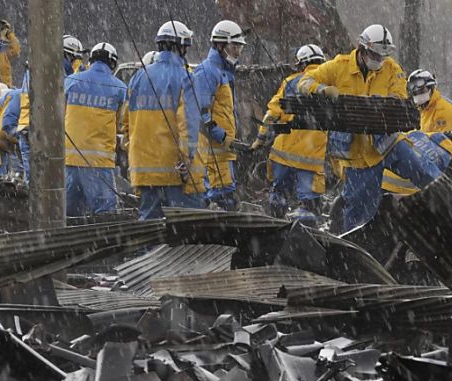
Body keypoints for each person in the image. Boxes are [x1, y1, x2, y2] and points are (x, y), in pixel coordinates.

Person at [297, 24, 442, 232]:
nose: (378, 60)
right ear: (362, 48)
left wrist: (379, 106)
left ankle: (451, 209)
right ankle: (356, 253)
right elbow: (304, 82)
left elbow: (399, 96)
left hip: (389, 143)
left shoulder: (392, 69)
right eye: (375, 54)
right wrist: (321, 89)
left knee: (429, 174)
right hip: (358, 155)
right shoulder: (339, 66)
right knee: (359, 215)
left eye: (382, 56)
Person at [125, 20, 203, 220]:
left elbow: (126, 123)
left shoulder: (138, 77)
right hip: (172, 171)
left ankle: (146, 252)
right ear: (182, 47)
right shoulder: (185, 77)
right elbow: (188, 125)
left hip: (143, 170)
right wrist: (186, 159)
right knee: (182, 228)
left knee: (149, 230)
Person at [252, 44, 328, 226]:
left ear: (300, 63)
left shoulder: (290, 82)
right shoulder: (326, 85)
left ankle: (275, 227)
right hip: (311, 159)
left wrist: (260, 140)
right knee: (309, 206)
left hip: (282, 155)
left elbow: (271, 114)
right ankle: (307, 238)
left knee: (278, 195)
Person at [382, 69, 452, 195]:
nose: (417, 93)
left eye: (421, 90)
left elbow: (441, 146)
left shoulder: (444, 110)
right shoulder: (424, 109)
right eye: (414, 91)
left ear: (431, 88)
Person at [64, 42, 127, 217]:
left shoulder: (70, 82)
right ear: (112, 64)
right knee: (105, 215)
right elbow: (122, 123)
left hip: (69, 161)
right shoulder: (120, 88)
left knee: (68, 216)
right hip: (98, 163)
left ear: (90, 60)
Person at [193, 20, 246, 211]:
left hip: (223, 152)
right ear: (220, 44)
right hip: (212, 154)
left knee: (226, 199)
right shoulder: (207, 72)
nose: (238, 52)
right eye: (234, 46)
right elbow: (199, 113)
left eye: (239, 47)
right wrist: (220, 135)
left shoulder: (224, 73)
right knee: (221, 200)